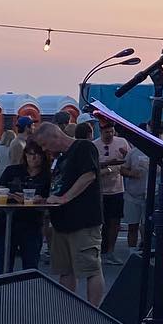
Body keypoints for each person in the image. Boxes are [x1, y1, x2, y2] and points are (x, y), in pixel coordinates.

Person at [34, 120, 105, 305]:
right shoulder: (61, 158)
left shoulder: (83, 147)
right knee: (66, 270)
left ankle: (94, 312)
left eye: (44, 144)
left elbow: (88, 175)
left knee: (90, 269)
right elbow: (59, 183)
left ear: (54, 136)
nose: (44, 149)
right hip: (62, 223)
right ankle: (68, 308)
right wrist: (48, 198)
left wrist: (65, 198)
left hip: (83, 221)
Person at [0, 139, 53, 272]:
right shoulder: (12, 170)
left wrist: (40, 199)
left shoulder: (48, 176)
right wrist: (9, 196)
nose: (33, 158)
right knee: (3, 265)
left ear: (43, 156)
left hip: (31, 223)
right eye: (29, 154)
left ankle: (28, 291)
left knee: (30, 266)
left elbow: (52, 199)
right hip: (6, 223)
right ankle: (3, 290)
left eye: (37, 154)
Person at [96, 118, 131, 261]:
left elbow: (129, 162)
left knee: (114, 221)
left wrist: (125, 156)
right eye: (106, 132)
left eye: (111, 131)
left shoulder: (122, 142)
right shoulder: (95, 145)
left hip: (117, 190)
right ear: (101, 132)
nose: (109, 134)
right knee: (100, 222)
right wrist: (108, 167)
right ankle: (99, 250)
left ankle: (111, 251)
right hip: (100, 191)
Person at [121, 129, 152, 252]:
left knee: (147, 226)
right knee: (132, 226)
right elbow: (123, 170)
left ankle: (146, 249)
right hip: (132, 195)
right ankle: (131, 252)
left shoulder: (155, 152)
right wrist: (130, 173)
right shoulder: (133, 152)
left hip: (150, 194)